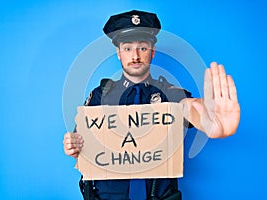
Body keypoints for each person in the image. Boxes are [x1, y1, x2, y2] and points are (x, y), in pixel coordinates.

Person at [63, 10, 240, 200]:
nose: (136, 56)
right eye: (128, 48)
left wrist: (208, 119)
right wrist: (73, 146)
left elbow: (189, 108)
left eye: (143, 48)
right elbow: (81, 141)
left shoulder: (170, 93)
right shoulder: (100, 96)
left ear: (152, 52)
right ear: (119, 53)